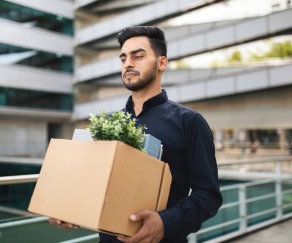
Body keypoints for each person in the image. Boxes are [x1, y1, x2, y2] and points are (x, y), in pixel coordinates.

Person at [50, 25, 223, 243]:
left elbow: (208, 196)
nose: (128, 64)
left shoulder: (189, 121)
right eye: (123, 59)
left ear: (162, 63)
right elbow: (96, 184)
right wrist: (71, 208)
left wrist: (165, 222)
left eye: (138, 56)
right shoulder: (108, 124)